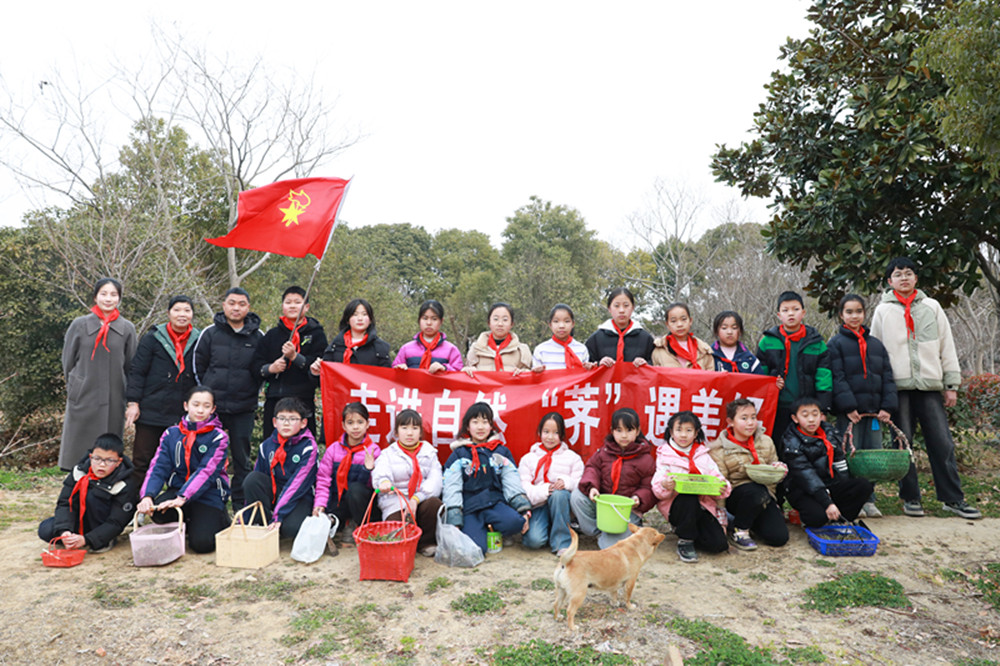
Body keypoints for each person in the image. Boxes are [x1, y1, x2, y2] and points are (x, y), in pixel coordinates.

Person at [871, 257, 981, 519]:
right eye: (898, 274)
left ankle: (952, 499)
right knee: (903, 442)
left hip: (930, 386)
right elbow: (875, 351)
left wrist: (951, 385)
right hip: (898, 388)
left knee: (942, 443)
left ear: (916, 278)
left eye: (909, 273)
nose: (904, 278)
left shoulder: (932, 307)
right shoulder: (882, 311)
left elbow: (946, 345)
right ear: (890, 281)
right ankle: (910, 498)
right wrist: (878, 390)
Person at [192, 287, 263, 509]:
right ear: (224, 306)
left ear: (248, 307)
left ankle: (241, 506)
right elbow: (197, 366)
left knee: (242, 459)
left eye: (241, 304)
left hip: (244, 407)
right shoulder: (210, 333)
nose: (236, 308)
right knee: (208, 456)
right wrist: (206, 400)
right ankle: (210, 503)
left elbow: (262, 370)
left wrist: (253, 392)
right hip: (214, 409)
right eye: (232, 303)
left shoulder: (258, 336)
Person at [137, 386, 230, 554]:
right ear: (186, 405)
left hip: (209, 493)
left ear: (213, 409)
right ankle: (190, 518)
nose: (200, 410)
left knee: (203, 544)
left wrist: (183, 497)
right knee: (158, 514)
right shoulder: (170, 434)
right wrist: (147, 495)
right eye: (196, 404)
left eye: (206, 406)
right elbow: (159, 466)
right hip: (179, 489)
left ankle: (218, 518)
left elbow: (206, 471)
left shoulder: (218, 437)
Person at [828, 294, 897, 518]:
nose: (854, 316)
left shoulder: (876, 344)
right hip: (850, 413)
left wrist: (887, 407)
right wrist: (848, 406)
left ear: (864, 313)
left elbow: (887, 376)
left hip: (875, 413)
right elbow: (836, 378)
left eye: (858, 311)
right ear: (841, 315)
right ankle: (853, 499)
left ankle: (870, 499)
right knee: (850, 455)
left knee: (872, 455)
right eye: (849, 312)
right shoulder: (835, 344)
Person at [59, 278, 137, 471]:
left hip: (114, 396)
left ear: (119, 298)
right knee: (77, 447)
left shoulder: (127, 328)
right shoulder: (79, 324)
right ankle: (75, 483)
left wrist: (130, 399)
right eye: (104, 294)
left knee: (108, 445)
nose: (108, 299)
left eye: (113, 294)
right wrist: (75, 386)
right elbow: (67, 361)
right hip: (83, 395)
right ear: (95, 297)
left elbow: (131, 365)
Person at [125, 295, 200, 489]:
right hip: (152, 410)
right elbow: (137, 371)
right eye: (177, 310)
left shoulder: (199, 340)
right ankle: (135, 506)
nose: (182, 314)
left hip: (182, 412)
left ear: (192, 314)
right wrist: (133, 402)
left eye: (186, 310)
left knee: (181, 462)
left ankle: (174, 505)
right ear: (168, 313)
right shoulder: (153, 338)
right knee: (142, 461)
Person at [442, 402, 532, 555]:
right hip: (470, 507)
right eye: (475, 422)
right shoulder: (459, 454)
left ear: (491, 426)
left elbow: (511, 481)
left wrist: (523, 510)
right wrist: (455, 517)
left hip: (494, 503)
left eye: (485, 422)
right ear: (467, 427)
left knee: (517, 522)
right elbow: (452, 486)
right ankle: (481, 530)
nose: (480, 427)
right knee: (478, 549)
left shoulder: (500, 451)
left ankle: (496, 529)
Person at [570, 407, 657, 550]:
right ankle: (597, 531)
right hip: (603, 506)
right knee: (577, 496)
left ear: (637, 431)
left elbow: (648, 487)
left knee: (609, 547)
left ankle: (619, 532)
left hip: (626, 512)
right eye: (619, 430)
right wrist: (592, 487)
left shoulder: (646, 459)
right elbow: (592, 468)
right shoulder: (604, 451)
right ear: (612, 430)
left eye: (629, 430)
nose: (624, 435)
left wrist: (638, 498)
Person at [709, 399, 789, 550]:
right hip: (736, 496)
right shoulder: (719, 449)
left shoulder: (766, 441)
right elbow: (720, 485)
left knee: (778, 537)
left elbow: (773, 470)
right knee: (754, 490)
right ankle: (740, 530)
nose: (751, 423)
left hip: (763, 495)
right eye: (744, 418)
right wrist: (721, 516)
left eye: (753, 417)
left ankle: (750, 520)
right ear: (730, 422)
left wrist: (778, 470)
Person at [653, 411, 731, 563]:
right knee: (687, 495)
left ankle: (691, 532)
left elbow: (717, 476)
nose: (683, 435)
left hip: (702, 507)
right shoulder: (665, 455)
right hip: (677, 507)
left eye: (688, 430)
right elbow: (657, 486)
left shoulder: (703, 455)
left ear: (696, 433)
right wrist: (665, 484)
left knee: (719, 545)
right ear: (671, 432)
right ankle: (685, 540)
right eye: (679, 430)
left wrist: (722, 487)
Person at [757, 291, 832, 449]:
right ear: (779, 315)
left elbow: (824, 377)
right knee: (777, 446)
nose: (791, 313)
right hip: (777, 406)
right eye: (785, 310)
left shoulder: (816, 342)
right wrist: (772, 381)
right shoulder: (767, 341)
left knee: (806, 449)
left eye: (795, 309)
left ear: (803, 312)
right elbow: (759, 376)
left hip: (806, 408)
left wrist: (823, 408)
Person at [782, 397, 873, 527]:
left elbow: (840, 463)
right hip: (802, 489)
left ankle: (841, 521)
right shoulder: (791, 441)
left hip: (829, 484)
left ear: (821, 416)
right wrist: (828, 503)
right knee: (817, 517)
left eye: (815, 414)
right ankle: (811, 515)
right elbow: (807, 476)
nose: (811, 419)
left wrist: (841, 495)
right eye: (805, 415)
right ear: (795, 418)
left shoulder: (830, 433)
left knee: (863, 486)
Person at [39, 433, 135, 553]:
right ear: (90, 456)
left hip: (102, 525)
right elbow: (65, 503)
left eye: (109, 460)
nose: (101, 464)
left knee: (93, 496)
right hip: (79, 522)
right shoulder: (78, 472)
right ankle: (73, 539)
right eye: (97, 459)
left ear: (118, 462)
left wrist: (87, 539)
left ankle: (101, 541)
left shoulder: (125, 484)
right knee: (45, 530)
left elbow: (117, 522)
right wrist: (65, 531)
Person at [253, 286, 327, 440]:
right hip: (275, 399)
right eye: (288, 302)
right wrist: (270, 368)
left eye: (297, 302)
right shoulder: (272, 335)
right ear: (282, 306)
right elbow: (255, 365)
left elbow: (321, 366)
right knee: (271, 444)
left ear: (306, 307)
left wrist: (296, 357)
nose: (292, 306)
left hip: (303, 399)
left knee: (304, 446)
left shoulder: (317, 334)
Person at [372, 409, 443, 558]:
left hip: (420, 499)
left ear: (420, 432)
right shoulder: (388, 453)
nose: (409, 433)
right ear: (396, 432)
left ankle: (426, 543)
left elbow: (435, 481)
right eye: (404, 428)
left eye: (414, 428)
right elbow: (381, 471)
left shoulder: (429, 452)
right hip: (395, 501)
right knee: (396, 534)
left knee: (434, 504)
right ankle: (407, 544)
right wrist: (384, 481)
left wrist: (416, 499)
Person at [243, 397, 318, 539]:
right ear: (274, 422)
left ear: (303, 423)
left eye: (292, 419)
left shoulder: (308, 448)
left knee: (290, 531)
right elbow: (257, 480)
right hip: (275, 491)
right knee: (252, 479)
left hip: (300, 495)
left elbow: (297, 484)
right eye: (282, 418)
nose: (286, 423)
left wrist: (278, 516)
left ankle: (278, 520)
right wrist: (246, 518)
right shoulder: (266, 446)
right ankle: (262, 522)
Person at [314, 402, 382, 550]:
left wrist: (367, 469)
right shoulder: (333, 450)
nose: (355, 427)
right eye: (350, 423)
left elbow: (375, 486)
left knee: (355, 490)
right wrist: (319, 504)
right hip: (339, 500)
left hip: (362, 504)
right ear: (344, 426)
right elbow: (323, 480)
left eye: (360, 422)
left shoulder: (374, 451)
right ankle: (335, 523)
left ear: (367, 424)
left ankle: (357, 525)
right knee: (326, 512)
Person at [518, 412, 584, 555]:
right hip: (538, 505)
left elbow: (580, 482)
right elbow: (523, 486)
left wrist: (566, 482)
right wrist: (544, 490)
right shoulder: (528, 458)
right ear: (539, 432)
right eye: (546, 432)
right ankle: (548, 528)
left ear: (562, 435)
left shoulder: (573, 458)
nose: (550, 437)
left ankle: (562, 543)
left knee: (559, 494)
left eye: (555, 433)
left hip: (562, 506)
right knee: (533, 541)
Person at [585, 287, 655, 367]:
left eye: (626, 305)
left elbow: (655, 365)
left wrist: (645, 364)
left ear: (632, 308)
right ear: (609, 308)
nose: (621, 310)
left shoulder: (645, 339)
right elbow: (587, 366)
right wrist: (598, 364)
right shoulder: (596, 338)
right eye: (616, 306)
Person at [392, 299, 464, 373]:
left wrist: (445, 368)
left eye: (434, 319)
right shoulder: (406, 348)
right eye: (425, 318)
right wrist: (399, 369)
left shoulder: (451, 350)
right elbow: (393, 374)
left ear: (441, 321)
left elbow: (459, 374)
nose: (429, 323)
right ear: (419, 320)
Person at [464, 303, 536, 375]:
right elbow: (466, 377)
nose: (500, 324)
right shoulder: (476, 348)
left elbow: (530, 377)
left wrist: (523, 373)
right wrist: (467, 370)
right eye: (496, 319)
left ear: (512, 324)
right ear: (489, 323)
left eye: (505, 320)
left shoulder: (522, 350)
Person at [652, 302, 714, 369]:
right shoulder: (660, 349)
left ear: (690, 321)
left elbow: (711, 376)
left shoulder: (703, 350)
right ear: (667, 324)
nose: (679, 324)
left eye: (683, 319)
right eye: (673, 321)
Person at [531, 304, 593, 370]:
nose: (561, 326)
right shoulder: (541, 350)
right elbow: (534, 377)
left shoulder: (581, 349)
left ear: (573, 324)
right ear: (550, 324)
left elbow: (585, 377)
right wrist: (535, 373)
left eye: (567, 321)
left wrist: (590, 369)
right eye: (556, 321)